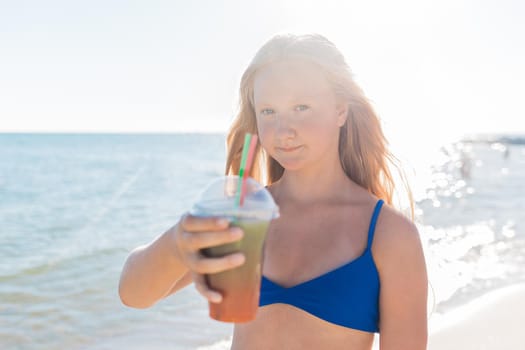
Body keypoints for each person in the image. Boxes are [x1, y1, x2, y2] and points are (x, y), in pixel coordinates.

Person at [119, 33, 428, 349]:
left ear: (340, 110)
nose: (284, 131)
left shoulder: (388, 235)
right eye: (268, 111)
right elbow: (134, 294)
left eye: (301, 107)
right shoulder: (243, 214)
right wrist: (177, 243)